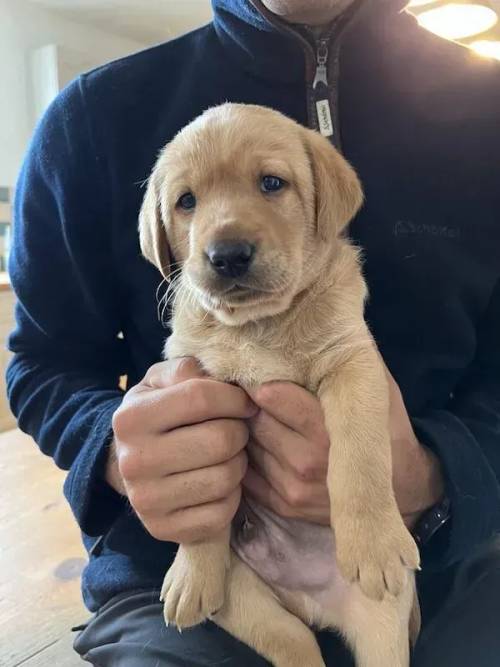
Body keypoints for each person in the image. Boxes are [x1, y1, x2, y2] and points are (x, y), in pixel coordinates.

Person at [7, 0, 500, 665]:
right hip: (185, 579)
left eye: (272, 183)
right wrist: (118, 450)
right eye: (188, 202)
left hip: (460, 551)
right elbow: (42, 366)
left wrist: (441, 472)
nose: (227, 237)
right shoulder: (87, 121)